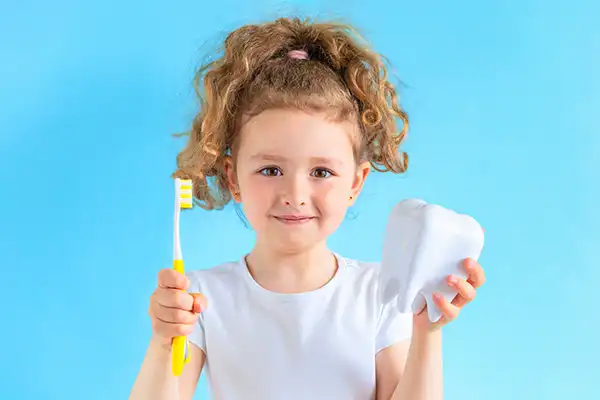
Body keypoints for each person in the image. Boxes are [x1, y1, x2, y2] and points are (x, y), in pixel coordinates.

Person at [130, 16, 486, 400]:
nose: (294, 193)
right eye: (270, 169)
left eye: (321, 171)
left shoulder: (380, 294)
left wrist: (426, 331)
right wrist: (165, 342)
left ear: (355, 182)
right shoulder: (202, 298)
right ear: (232, 178)